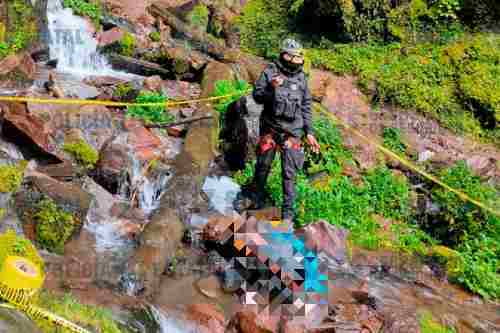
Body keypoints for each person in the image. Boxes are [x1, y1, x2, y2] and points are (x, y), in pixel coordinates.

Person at [235, 38, 320, 225]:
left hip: (293, 133)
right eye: (295, 56)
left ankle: (288, 215)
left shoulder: (302, 79)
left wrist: (310, 132)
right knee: (263, 166)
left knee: (289, 173)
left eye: (300, 57)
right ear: (285, 56)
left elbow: (306, 106)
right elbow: (258, 96)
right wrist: (271, 88)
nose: (298, 60)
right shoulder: (270, 71)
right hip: (270, 130)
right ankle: (255, 199)